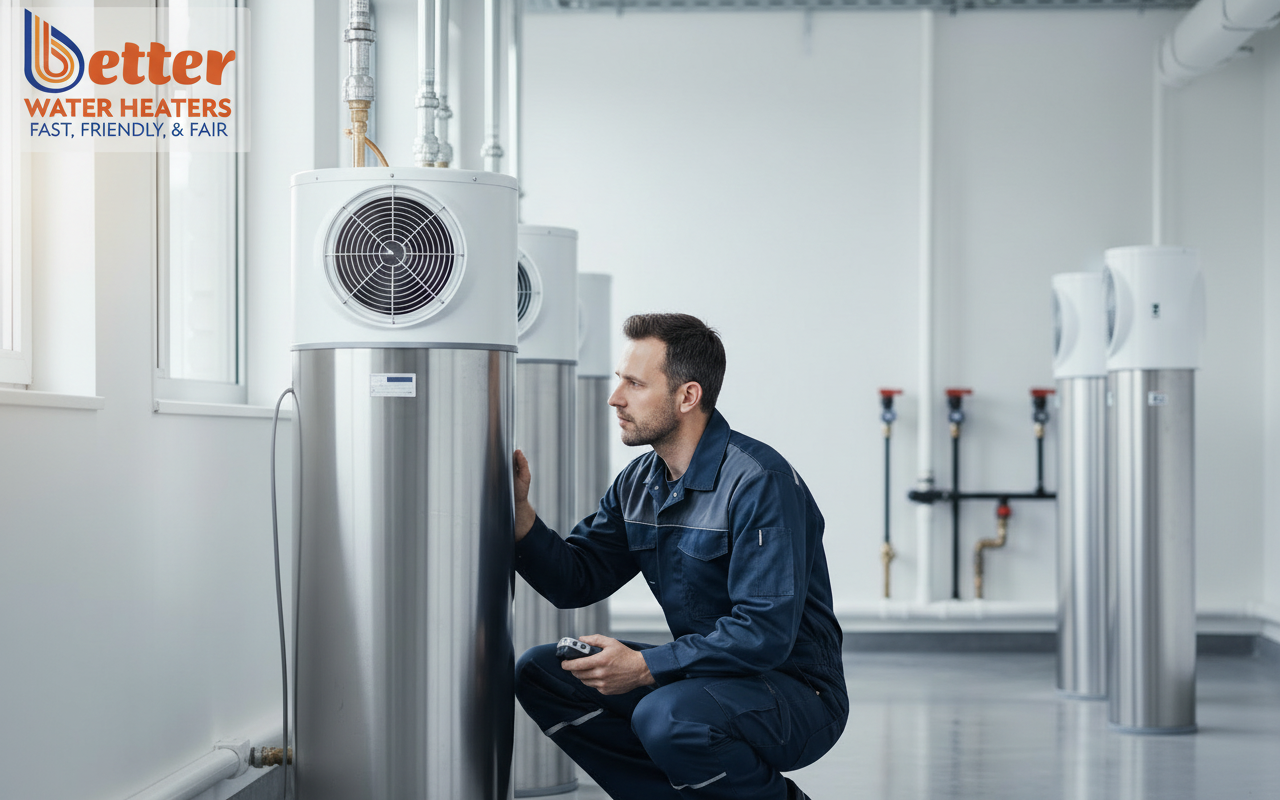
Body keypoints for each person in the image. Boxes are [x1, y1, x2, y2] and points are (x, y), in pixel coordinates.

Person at [512, 313, 846, 800]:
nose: (615, 398)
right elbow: (575, 580)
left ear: (687, 396)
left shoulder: (758, 482)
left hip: (796, 694)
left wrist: (646, 667)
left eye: (634, 384)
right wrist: (520, 516)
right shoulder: (639, 483)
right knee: (544, 673)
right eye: (618, 381)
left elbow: (764, 633)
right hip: (706, 678)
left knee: (667, 716)